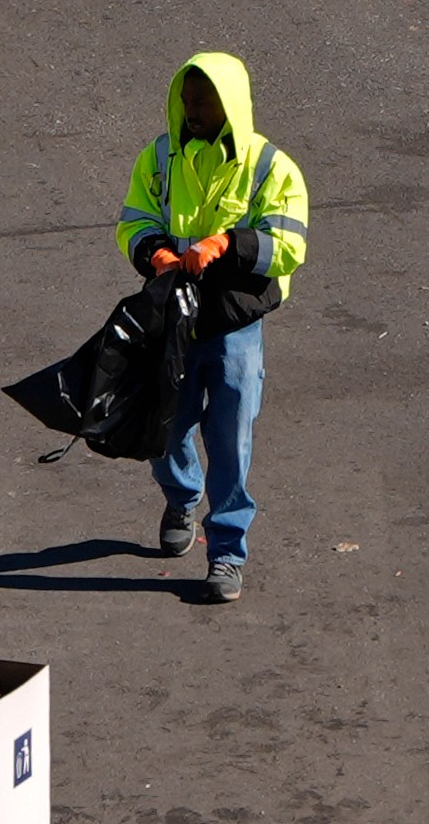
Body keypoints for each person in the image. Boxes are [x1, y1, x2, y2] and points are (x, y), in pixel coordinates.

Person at [115, 53, 309, 603]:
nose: (192, 110)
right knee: (163, 428)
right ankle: (181, 495)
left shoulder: (271, 167)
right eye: (187, 99)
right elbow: (135, 220)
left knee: (229, 443)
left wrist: (228, 244)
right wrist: (153, 252)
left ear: (231, 106)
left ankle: (226, 551)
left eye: (203, 101)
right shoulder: (158, 156)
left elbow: (290, 244)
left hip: (232, 328)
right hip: (171, 320)